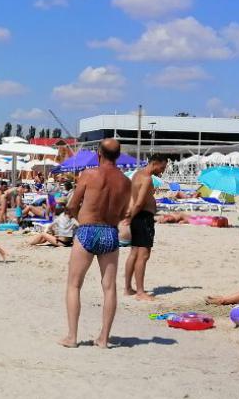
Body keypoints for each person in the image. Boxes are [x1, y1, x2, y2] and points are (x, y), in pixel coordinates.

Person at [60, 140, 132, 348]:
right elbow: (122, 213)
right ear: (118, 155)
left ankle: (72, 337)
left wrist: (76, 215)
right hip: (110, 233)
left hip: (87, 231)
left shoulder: (89, 175)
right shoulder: (125, 182)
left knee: (74, 284)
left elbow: (73, 204)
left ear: (99, 153)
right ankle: (104, 338)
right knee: (109, 288)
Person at [124, 154, 166, 301]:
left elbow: (132, 198)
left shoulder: (137, 175)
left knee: (134, 253)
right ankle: (140, 292)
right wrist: (129, 218)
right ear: (155, 163)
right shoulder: (147, 178)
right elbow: (139, 202)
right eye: (162, 167)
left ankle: (128, 288)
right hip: (143, 218)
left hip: (137, 217)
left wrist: (129, 215)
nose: (162, 171)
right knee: (143, 255)